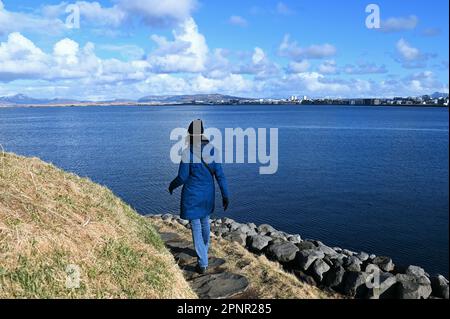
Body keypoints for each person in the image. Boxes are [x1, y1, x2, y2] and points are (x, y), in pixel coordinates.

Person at [168, 119, 229, 274]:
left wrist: (171, 186)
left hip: (192, 195)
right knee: (205, 222)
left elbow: (182, 177)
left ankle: (202, 262)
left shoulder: (187, 152)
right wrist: (225, 195)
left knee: (196, 225)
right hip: (208, 195)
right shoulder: (213, 150)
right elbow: (220, 175)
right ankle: (204, 252)